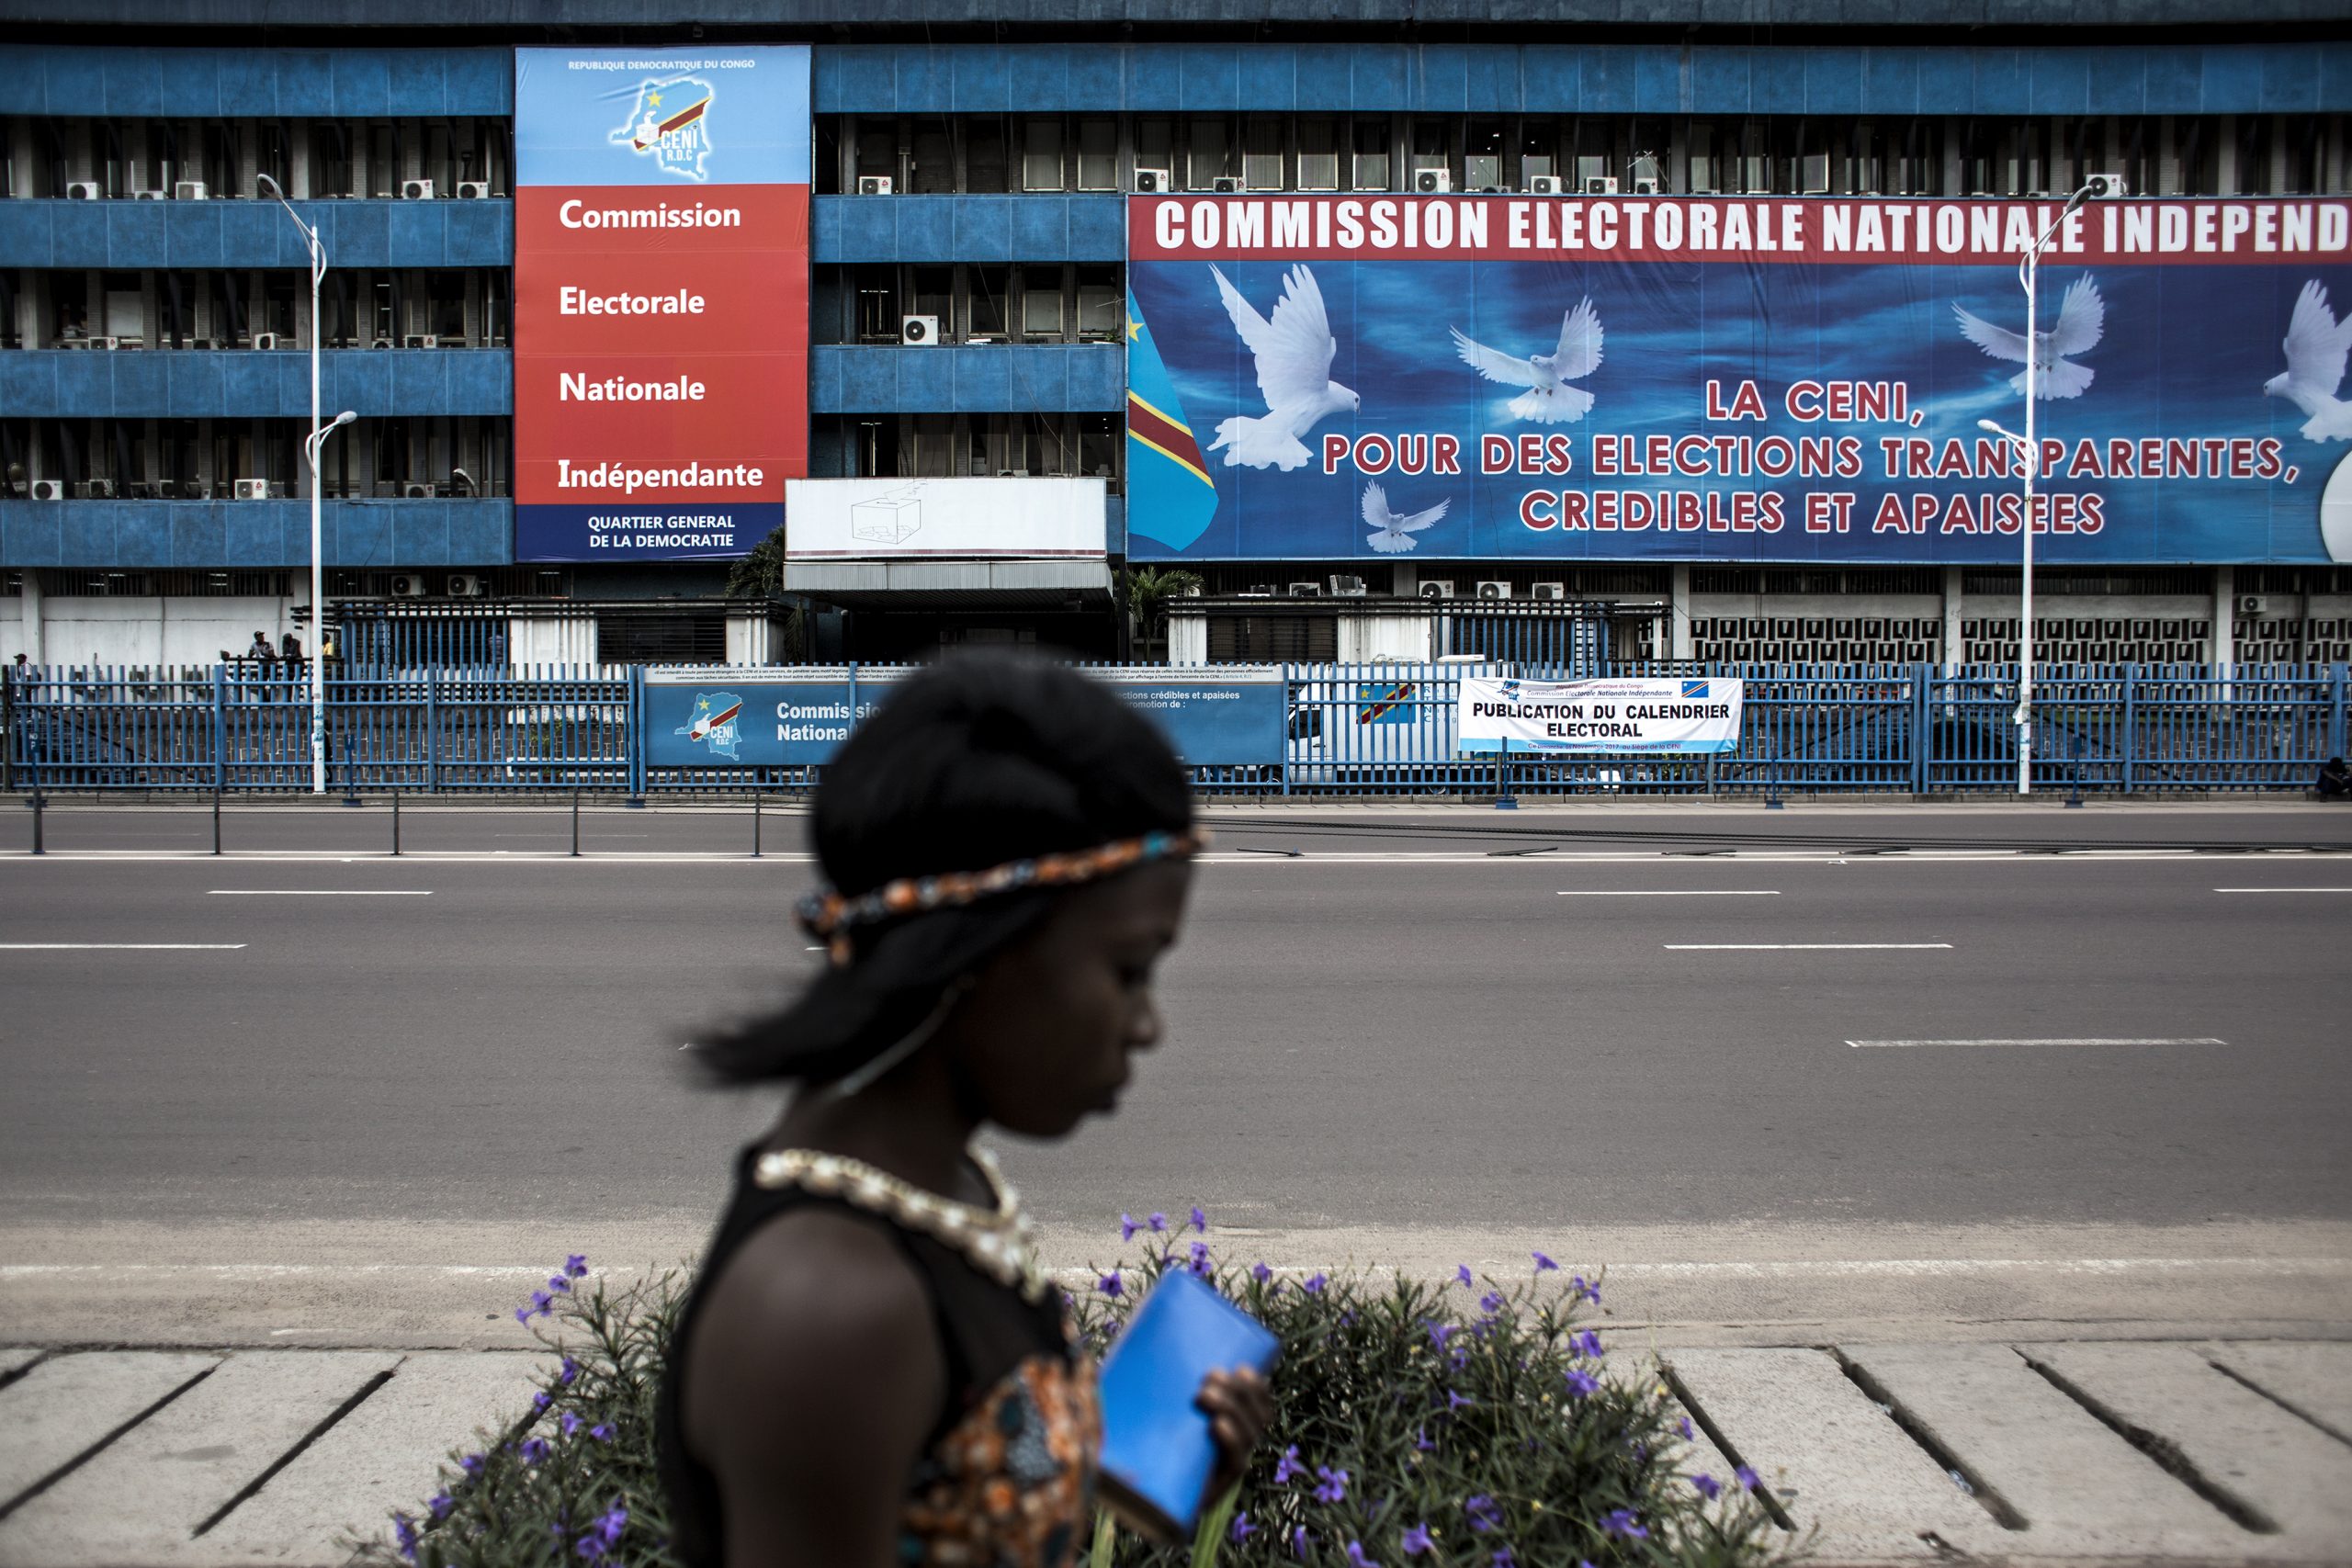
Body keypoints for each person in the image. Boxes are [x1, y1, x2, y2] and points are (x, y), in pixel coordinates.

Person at [658, 654, 1272, 1568]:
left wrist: (1138, 1473)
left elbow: (948, 1491)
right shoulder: (830, 1309)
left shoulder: (936, 1184)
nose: (1147, 1026)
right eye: (1129, 969)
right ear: (980, 954)